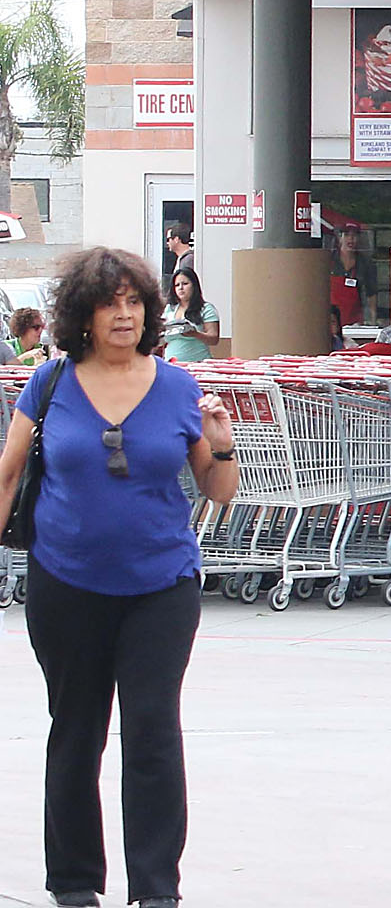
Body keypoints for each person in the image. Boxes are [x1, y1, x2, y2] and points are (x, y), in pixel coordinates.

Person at [0, 246, 238, 908]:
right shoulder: (48, 382)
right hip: (65, 580)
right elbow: (9, 473)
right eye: (111, 302)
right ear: (84, 313)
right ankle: (75, 880)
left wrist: (220, 437)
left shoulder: (179, 385)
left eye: (135, 301)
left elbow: (218, 488)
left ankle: (156, 886)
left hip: (161, 585)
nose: (125, 314)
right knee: (76, 728)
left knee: (154, 728)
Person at [329, 220, 390, 331]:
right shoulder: (329, 260)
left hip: (354, 322)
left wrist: (372, 319)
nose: (351, 239)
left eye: (354, 235)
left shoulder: (365, 264)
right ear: (340, 238)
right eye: (347, 235)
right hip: (331, 320)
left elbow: (371, 294)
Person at [161, 270, 219, 367]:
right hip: (171, 364)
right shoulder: (169, 309)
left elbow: (214, 339)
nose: (181, 288)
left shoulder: (206, 308)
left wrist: (195, 334)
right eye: (177, 285)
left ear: (194, 286)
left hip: (198, 364)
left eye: (185, 284)